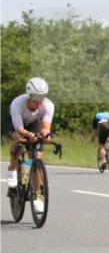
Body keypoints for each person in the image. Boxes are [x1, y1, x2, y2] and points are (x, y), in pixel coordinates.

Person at [7, 78, 54, 215]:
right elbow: (20, 128)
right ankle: (12, 171)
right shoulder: (17, 103)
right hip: (17, 124)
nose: (39, 102)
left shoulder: (48, 105)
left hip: (32, 123)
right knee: (19, 141)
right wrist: (29, 135)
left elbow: (45, 127)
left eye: (42, 97)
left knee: (37, 155)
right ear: (28, 95)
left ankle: (37, 196)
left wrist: (45, 135)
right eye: (35, 98)